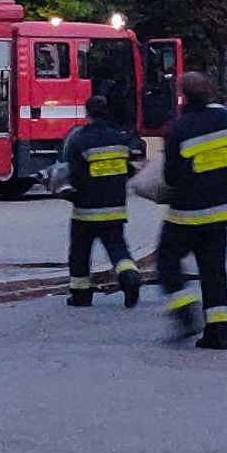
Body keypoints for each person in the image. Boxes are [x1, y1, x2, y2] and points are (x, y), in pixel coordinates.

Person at [156, 72, 227, 350]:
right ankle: (218, 334)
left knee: (167, 263)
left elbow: (169, 177)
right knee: (213, 272)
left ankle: (186, 313)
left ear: (182, 96)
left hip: (186, 215)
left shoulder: (179, 129)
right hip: (220, 214)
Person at [61, 96, 141, 308]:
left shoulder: (79, 140)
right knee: (117, 248)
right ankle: (129, 275)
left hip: (85, 210)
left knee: (80, 252)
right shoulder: (120, 139)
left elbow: (71, 174)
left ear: (88, 113)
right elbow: (130, 169)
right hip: (115, 208)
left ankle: (81, 294)